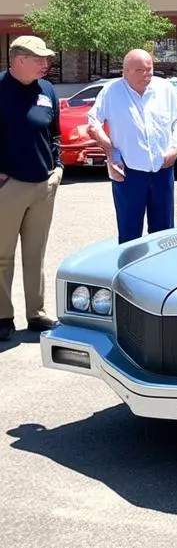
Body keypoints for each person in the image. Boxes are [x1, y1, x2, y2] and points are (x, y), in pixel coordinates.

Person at [87, 49, 177, 245]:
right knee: (129, 235)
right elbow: (93, 121)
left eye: (150, 69)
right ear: (125, 72)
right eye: (140, 70)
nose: (147, 74)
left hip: (162, 169)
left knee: (164, 235)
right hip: (128, 172)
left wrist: (176, 147)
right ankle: (129, 273)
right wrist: (109, 150)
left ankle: (160, 273)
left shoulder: (165, 89)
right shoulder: (111, 91)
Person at [0, 35, 63, 340]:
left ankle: (35, 313)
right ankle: (2, 317)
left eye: (47, 59)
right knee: (2, 256)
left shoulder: (47, 90)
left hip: (43, 184)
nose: (45, 64)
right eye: (39, 59)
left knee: (35, 253)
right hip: (8, 186)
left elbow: (54, 134)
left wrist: (58, 168)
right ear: (18, 59)